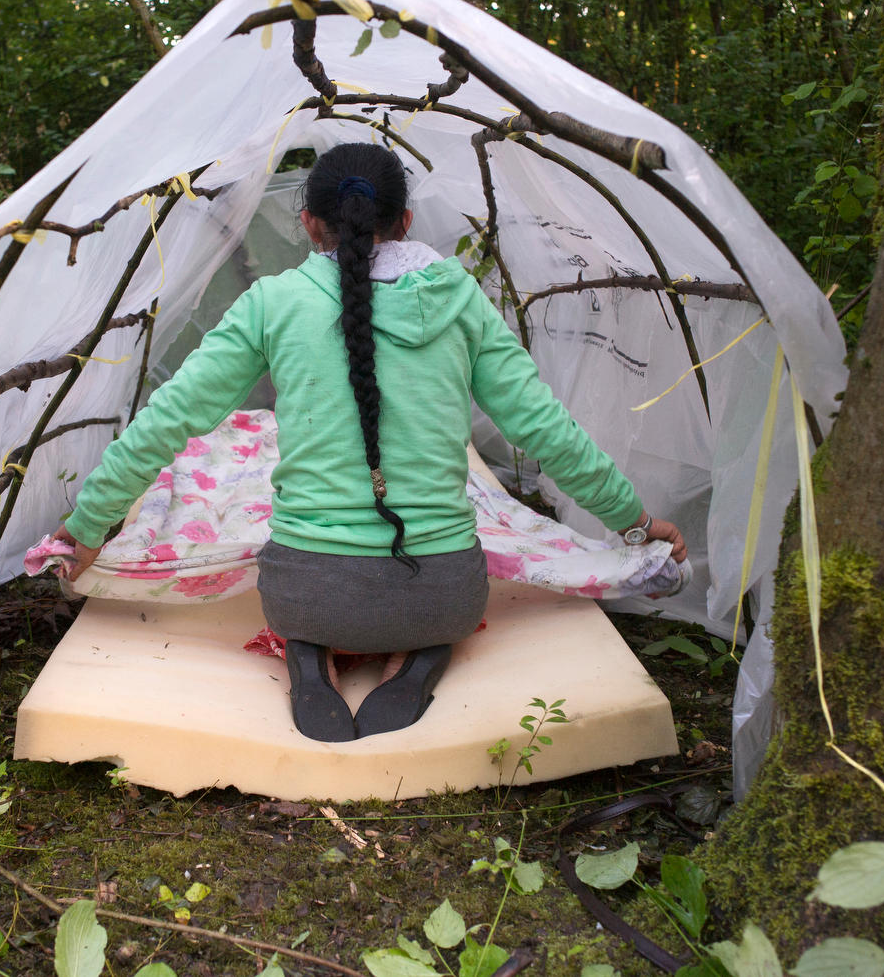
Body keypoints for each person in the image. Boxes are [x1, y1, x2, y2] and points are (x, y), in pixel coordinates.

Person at [53, 142, 685, 743]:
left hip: (302, 593)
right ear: (406, 220)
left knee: (308, 596)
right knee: (436, 608)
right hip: (444, 595)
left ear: (308, 223)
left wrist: (87, 530)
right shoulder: (460, 300)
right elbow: (545, 429)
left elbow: (168, 419)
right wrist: (635, 523)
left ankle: (308, 655)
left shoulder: (273, 302)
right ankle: (419, 655)